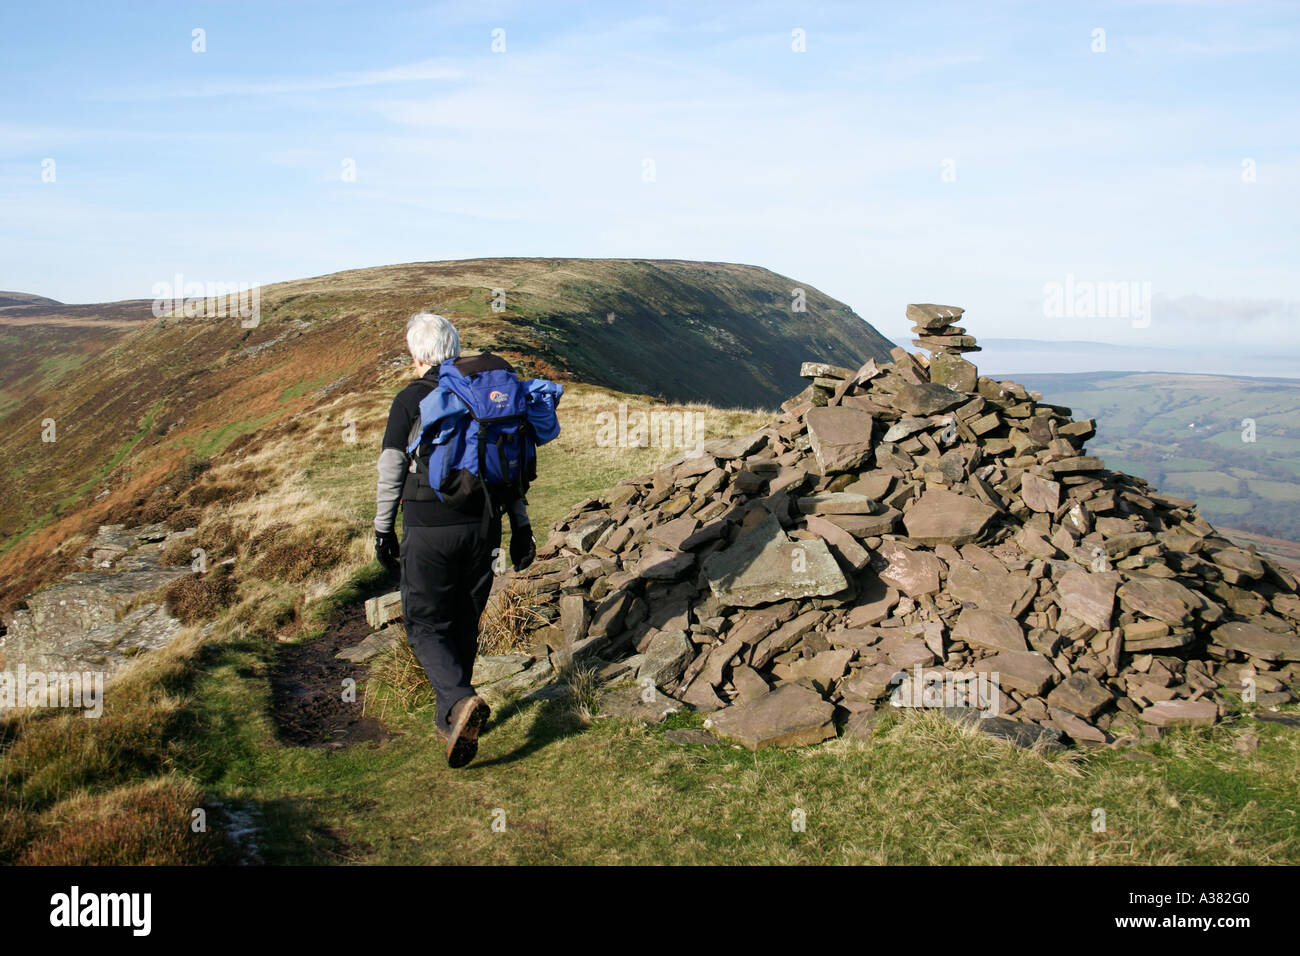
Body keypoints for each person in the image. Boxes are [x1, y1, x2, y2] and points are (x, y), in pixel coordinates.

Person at [374, 312, 537, 768]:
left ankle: (459, 699)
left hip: (429, 525)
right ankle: (451, 719)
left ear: (416, 354)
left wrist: (383, 527)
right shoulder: (484, 396)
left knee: (424, 621)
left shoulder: (411, 398)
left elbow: (391, 468)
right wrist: (521, 526)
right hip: (485, 526)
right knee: (465, 619)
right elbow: (513, 471)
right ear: (455, 347)